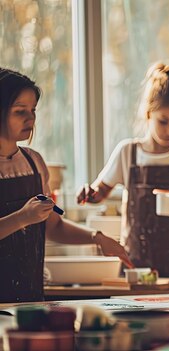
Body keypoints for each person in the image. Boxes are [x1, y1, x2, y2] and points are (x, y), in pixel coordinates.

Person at [0, 68, 132, 303]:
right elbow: (26, 220)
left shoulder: (34, 163)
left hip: (30, 298)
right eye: (20, 111)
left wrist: (97, 237)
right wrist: (22, 218)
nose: (30, 119)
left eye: (33, 111)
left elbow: (54, 226)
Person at [77, 63, 169, 277]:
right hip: (136, 260)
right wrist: (89, 194)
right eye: (164, 121)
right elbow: (100, 193)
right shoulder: (127, 152)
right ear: (148, 112)